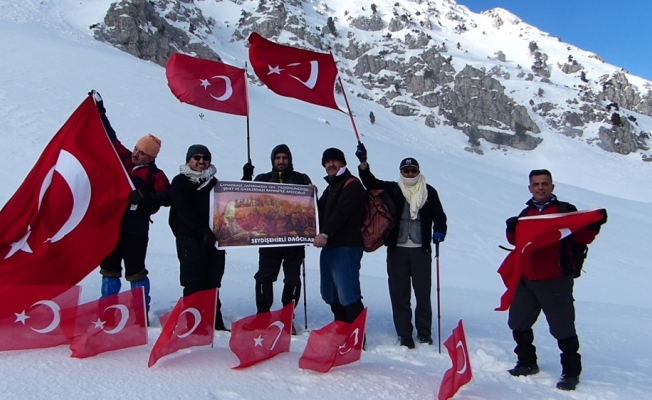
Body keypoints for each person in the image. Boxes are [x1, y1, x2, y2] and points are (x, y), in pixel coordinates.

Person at [504, 169, 606, 391]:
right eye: (536, 184)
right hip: (527, 279)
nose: (540, 187)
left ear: (552, 187)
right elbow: (518, 243)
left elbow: (582, 237)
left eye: (544, 183)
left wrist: (594, 224)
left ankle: (571, 372)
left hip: (555, 279)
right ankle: (527, 362)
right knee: (518, 322)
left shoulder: (564, 211)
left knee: (563, 328)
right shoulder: (526, 213)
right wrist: (512, 229)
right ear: (530, 187)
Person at [356, 144, 447, 349]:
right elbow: (371, 183)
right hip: (397, 249)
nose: (410, 173)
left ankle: (424, 332)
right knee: (400, 293)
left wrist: (440, 230)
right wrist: (363, 164)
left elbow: (439, 216)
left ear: (418, 172)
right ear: (401, 172)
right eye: (406, 170)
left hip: (421, 250)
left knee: (423, 293)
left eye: (413, 170)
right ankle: (404, 333)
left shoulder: (429, 192)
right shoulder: (394, 189)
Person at [93, 90, 171, 315]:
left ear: (152, 157)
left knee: (135, 272)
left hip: (135, 229)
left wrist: (149, 198)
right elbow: (110, 137)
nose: (137, 154)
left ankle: (139, 315)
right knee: (109, 270)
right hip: (111, 226)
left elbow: (167, 196)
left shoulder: (156, 175)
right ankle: (106, 314)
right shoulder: (124, 158)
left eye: (143, 153)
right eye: (137, 149)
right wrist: (100, 110)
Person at [242, 145, 312, 334]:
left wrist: (312, 192)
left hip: (293, 242)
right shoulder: (263, 179)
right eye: (278, 158)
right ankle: (263, 315)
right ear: (273, 160)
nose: (281, 161)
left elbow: (310, 206)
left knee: (292, 279)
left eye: (284, 158)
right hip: (269, 241)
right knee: (264, 277)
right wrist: (247, 177)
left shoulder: (301, 179)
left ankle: (287, 316)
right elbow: (243, 197)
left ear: (289, 160)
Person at [169, 144, 228, 331]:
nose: (201, 161)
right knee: (193, 283)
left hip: (215, 240)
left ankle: (214, 325)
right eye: (197, 157)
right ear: (189, 160)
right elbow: (184, 211)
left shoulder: (216, 183)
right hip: (190, 239)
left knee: (213, 284)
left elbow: (229, 206)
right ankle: (192, 325)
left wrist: (246, 180)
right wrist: (203, 231)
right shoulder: (180, 181)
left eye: (205, 158)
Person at [313, 148, 366, 326]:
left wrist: (325, 233)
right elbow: (317, 212)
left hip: (347, 247)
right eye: (327, 162)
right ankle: (342, 328)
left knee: (348, 294)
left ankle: (357, 337)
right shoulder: (331, 186)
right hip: (330, 248)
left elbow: (341, 213)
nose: (330, 164)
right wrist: (309, 197)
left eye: (335, 161)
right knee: (330, 293)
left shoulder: (352, 185)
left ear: (343, 163)